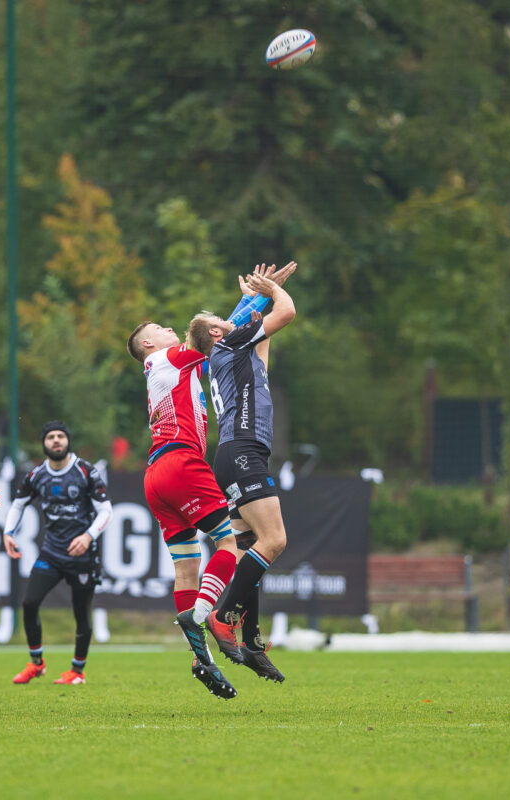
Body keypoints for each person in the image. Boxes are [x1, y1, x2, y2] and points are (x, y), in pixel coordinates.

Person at [186, 263, 296, 683]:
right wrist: (271, 293)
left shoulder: (236, 355)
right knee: (275, 540)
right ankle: (223, 616)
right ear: (217, 335)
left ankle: (250, 640)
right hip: (242, 452)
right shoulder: (228, 348)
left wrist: (259, 295)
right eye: (222, 323)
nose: (231, 322)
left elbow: (254, 326)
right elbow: (286, 315)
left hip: (238, 453)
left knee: (248, 544)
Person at [127, 318, 241, 699]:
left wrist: (242, 308)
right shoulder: (166, 359)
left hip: (156, 476)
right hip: (181, 464)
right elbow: (203, 330)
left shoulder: (173, 365)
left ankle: (201, 658)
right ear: (146, 342)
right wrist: (259, 299)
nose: (167, 328)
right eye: (159, 326)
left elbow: (215, 341)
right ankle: (200, 616)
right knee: (230, 545)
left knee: (186, 569)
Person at [2, 421, 113, 686]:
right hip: (51, 553)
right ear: (44, 443)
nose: (56, 441)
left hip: (83, 557)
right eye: (50, 436)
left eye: (60, 436)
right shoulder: (37, 474)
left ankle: (77, 671)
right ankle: (36, 663)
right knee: (29, 603)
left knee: (81, 613)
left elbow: (106, 510)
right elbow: (17, 505)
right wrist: (8, 532)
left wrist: (88, 536)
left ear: (68, 441)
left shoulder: (85, 471)